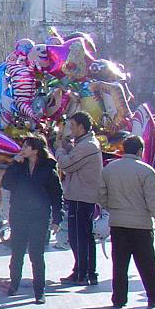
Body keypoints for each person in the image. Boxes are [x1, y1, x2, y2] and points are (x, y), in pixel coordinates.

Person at [97, 136, 155, 309]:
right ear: (140, 151)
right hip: (140, 224)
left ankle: (119, 299)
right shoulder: (145, 170)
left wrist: (111, 207)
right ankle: (154, 295)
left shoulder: (109, 169)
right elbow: (154, 200)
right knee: (147, 262)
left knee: (119, 263)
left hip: (118, 223)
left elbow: (101, 194)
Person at [2, 136, 63, 303]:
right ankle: (14, 284)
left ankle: (39, 290)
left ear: (35, 150)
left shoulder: (48, 170)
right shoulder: (19, 167)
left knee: (37, 255)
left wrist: (57, 219)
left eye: (26, 146)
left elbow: (56, 195)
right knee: (17, 252)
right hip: (19, 214)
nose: (23, 148)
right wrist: (14, 164)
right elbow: (6, 184)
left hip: (39, 215)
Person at [56, 111, 102, 287]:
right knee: (82, 236)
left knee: (79, 237)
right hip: (81, 195)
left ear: (82, 127)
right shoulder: (85, 143)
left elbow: (67, 164)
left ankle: (82, 272)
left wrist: (60, 148)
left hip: (81, 196)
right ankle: (84, 271)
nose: (71, 129)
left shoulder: (87, 146)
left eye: (73, 126)